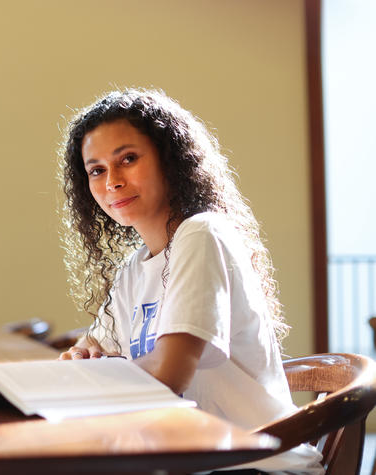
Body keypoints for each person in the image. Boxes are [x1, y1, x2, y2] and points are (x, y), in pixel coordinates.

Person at [57, 88, 323, 474]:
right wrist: (85, 357)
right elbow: (92, 345)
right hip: (189, 460)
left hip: (256, 466)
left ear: (170, 159)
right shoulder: (135, 267)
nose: (112, 180)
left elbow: (169, 372)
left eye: (128, 159)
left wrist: (95, 375)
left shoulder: (201, 234)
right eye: (96, 169)